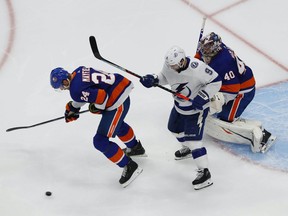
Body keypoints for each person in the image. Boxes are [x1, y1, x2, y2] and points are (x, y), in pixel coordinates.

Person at [175, 32, 276, 160]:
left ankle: (260, 136)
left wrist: (214, 99)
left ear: (216, 46)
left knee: (225, 117)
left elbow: (233, 89)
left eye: (209, 46)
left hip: (242, 91)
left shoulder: (223, 62)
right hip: (226, 83)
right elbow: (197, 61)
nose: (205, 49)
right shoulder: (208, 51)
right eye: (204, 46)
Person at [139, 46, 222, 190]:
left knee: (194, 141)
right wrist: (154, 79)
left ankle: (205, 173)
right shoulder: (170, 65)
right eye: (171, 65)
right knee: (174, 129)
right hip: (179, 106)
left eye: (175, 65)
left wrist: (203, 96)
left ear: (183, 60)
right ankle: (187, 149)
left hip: (196, 110)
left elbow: (216, 81)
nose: (173, 68)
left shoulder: (198, 68)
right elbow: (165, 77)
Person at [50, 66, 146, 188]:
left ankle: (130, 166)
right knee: (116, 124)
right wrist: (74, 107)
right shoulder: (78, 71)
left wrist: (97, 107)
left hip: (117, 103)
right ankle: (136, 148)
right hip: (121, 90)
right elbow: (86, 90)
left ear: (65, 81)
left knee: (100, 141)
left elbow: (102, 97)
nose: (63, 89)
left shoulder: (75, 90)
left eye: (61, 86)